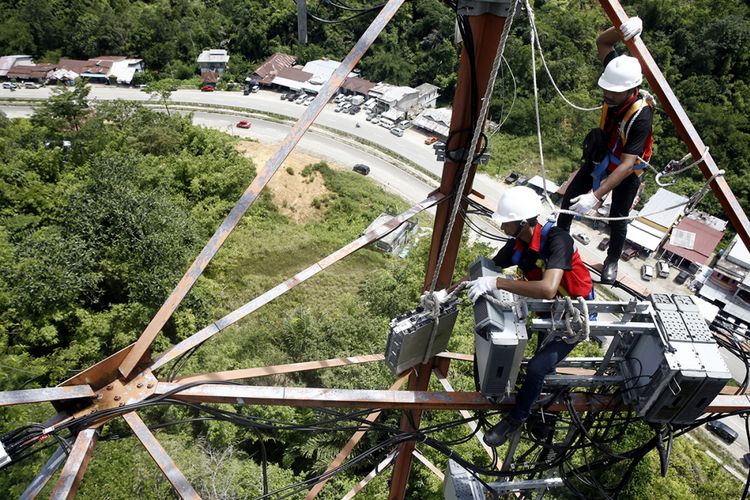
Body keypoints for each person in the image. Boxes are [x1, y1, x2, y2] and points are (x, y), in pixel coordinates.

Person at [467, 186, 594, 447]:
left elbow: (548, 289)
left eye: (506, 222)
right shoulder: (518, 245)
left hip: (574, 318)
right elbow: (489, 271)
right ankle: (545, 414)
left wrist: (497, 284)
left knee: (537, 367)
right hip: (549, 314)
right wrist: (449, 290)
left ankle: (517, 418)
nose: (502, 227)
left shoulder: (558, 240)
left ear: (523, 222)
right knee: (541, 366)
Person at [557, 16, 652, 285]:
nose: (607, 95)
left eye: (613, 93)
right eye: (606, 90)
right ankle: (561, 243)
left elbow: (625, 166)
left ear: (631, 90)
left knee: (617, 218)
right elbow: (603, 40)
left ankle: (611, 260)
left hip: (627, 168)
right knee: (570, 200)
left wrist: (596, 195)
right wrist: (624, 31)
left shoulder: (641, 116)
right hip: (603, 152)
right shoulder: (616, 73)